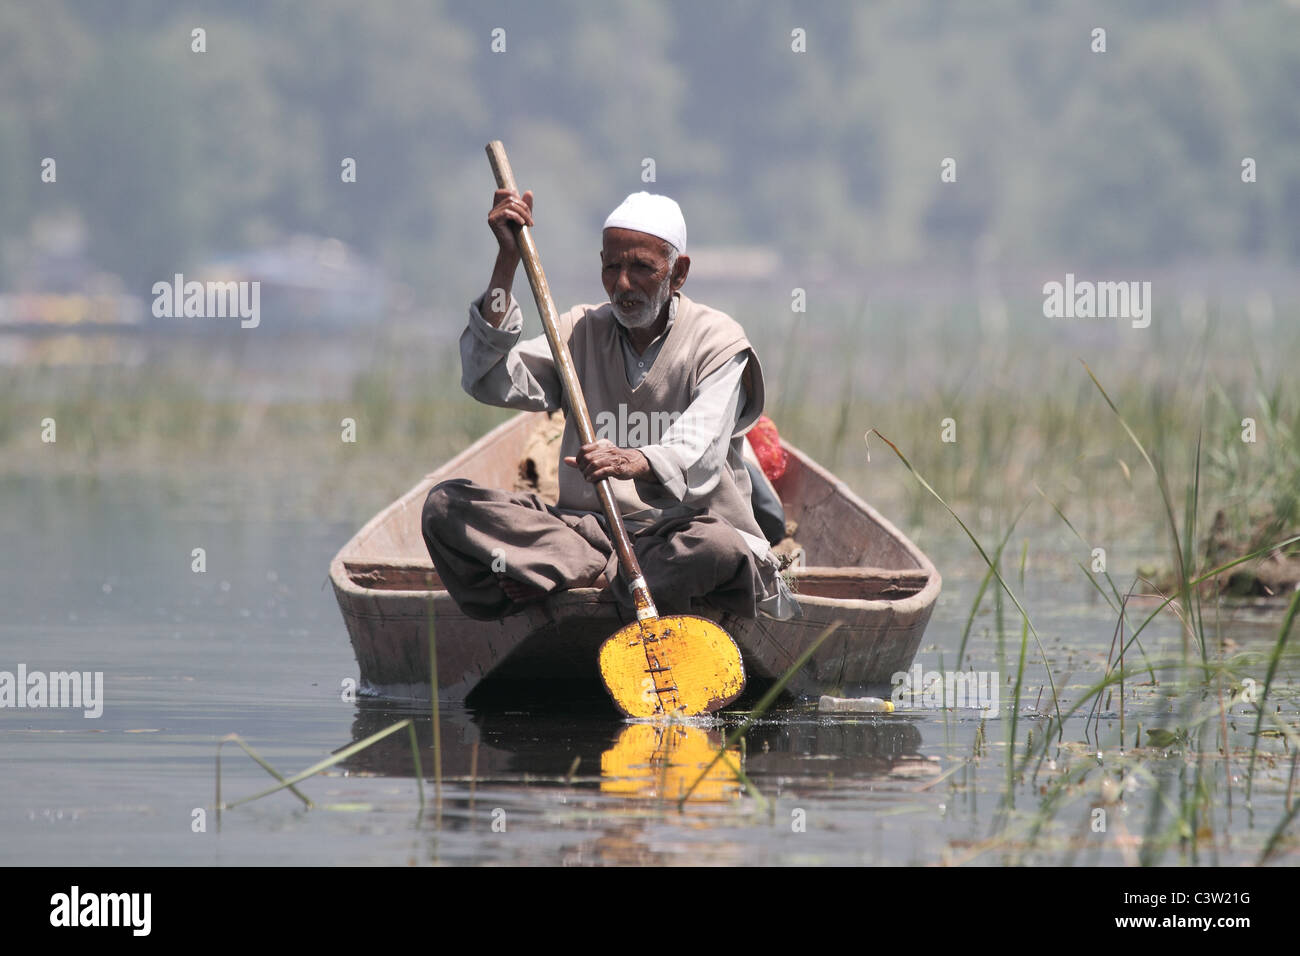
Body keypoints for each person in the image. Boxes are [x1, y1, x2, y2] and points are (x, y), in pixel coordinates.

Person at [420, 186, 798, 623]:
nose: (622, 284)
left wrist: (632, 460)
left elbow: (701, 447)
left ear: (678, 273)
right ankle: (602, 577)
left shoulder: (718, 341)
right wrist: (507, 263)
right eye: (612, 266)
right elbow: (488, 379)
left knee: (718, 547)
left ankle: (575, 582)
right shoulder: (581, 331)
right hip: (586, 535)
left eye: (641, 268)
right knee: (445, 507)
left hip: (678, 536)